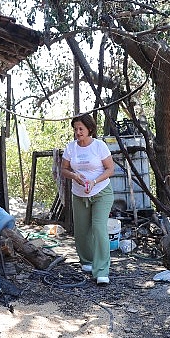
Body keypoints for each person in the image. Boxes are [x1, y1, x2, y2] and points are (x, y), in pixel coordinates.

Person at [61, 113, 115, 285]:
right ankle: (87, 261)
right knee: (82, 231)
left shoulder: (99, 146)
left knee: (99, 228)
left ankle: (101, 271)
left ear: (89, 129)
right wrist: (74, 176)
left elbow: (110, 169)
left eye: (81, 129)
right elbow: (63, 170)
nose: (78, 132)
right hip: (79, 193)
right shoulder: (71, 148)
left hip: (101, 192)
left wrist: (94, 181)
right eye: (75, 129)